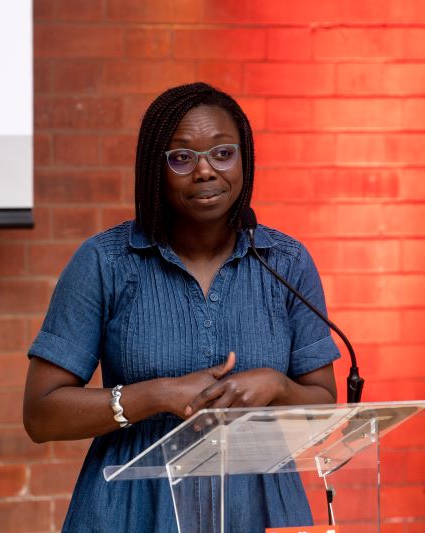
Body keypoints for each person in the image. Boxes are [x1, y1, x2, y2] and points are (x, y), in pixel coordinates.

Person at [23, 82, 341, 532]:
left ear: (244, 160)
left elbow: (324, 405)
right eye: (182, 158)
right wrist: (156, 395)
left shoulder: (285, 263)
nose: (206, 171)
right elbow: (41, 414)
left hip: (256, 512)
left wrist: (276, 386)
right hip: (132, 512)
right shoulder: (105, 263)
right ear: (156, 169)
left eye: (223, 153)